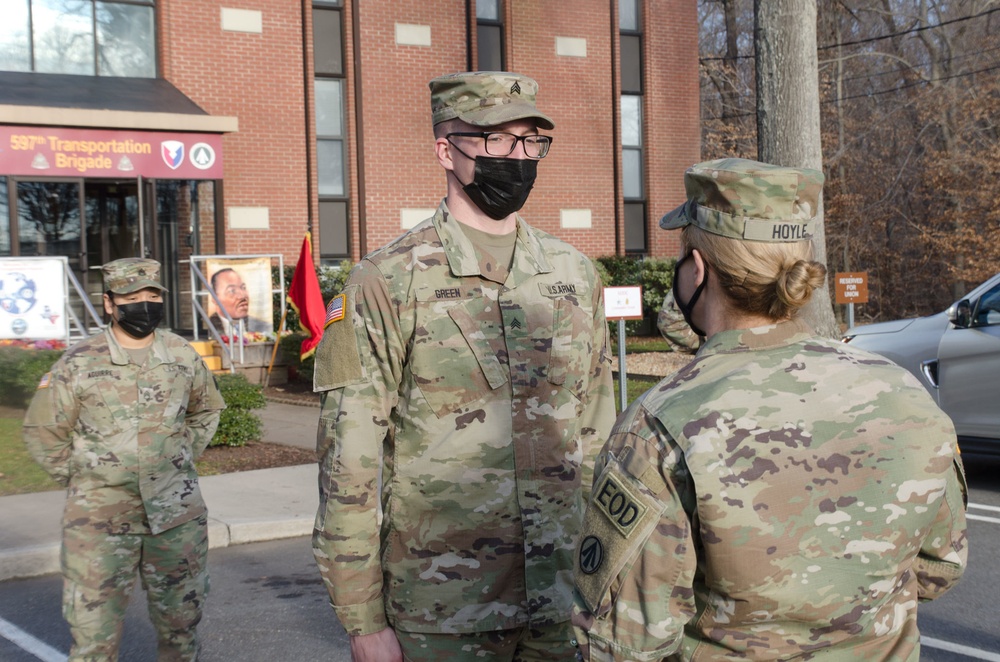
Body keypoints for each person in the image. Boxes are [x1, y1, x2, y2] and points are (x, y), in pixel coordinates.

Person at [572, 158, 968, 660]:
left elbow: (620, 639)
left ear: (696, 269)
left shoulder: (658, 426)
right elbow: (939, 567)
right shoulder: (904, 392)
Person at [311, 71, 616, 662]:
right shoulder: (387, 279)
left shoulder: (575, 275)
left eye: (530, 141)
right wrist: (361, 619)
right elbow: (348, 457)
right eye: (496, 141)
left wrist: (605, 576)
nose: (518, 157)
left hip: (561, 598)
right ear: (445, 149)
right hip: (444, 606)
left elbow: (597, 434)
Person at [23, 257, 226, 661]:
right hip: (99, 523)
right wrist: (88, 479)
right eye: (132, 297)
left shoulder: (181, 354)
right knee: (93, 638)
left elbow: (207, 410)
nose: (144, 305)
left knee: (182, 629)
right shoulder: (79, 363)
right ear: (110, 304)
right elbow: (43, 432)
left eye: (152, 295)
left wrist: (180, 459)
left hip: (175, 517)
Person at [209, 267, 271, 334]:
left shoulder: (262, 326)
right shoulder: (206, 327)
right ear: (215, 299)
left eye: (243, 288)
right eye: (232, 291)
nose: (242, 296)